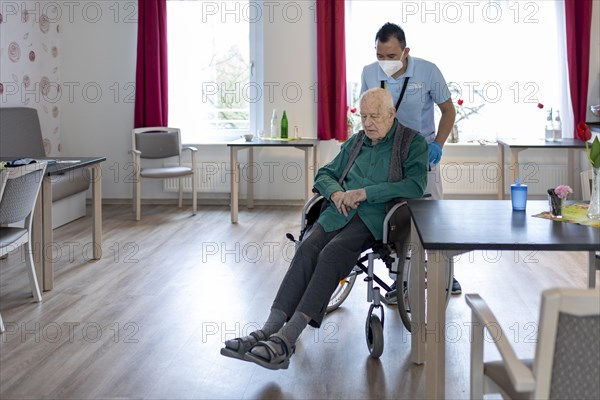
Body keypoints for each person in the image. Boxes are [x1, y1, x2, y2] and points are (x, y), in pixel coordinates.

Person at [220, 88, 428, 370]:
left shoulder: (411, 143)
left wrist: (365, 193)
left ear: (392, 114)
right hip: (337, 212)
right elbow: (324, 174)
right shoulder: (357, 142)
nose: (367, 123)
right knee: (306, 247)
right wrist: (336, 194)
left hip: (377, 218)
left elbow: (415, 185)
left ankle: (287, 339)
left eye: (374, 116)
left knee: (332, 253)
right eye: (363, 116)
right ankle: (267, 330)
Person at [360, 22, 461, 294]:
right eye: (380, 56)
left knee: (433, 214)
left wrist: (438, 144)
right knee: (396, 219)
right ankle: (400, 278)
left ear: (405, 51)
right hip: (386, 154)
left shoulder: (428, 71)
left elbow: (448, 111)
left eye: (391, 56)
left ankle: (446, 271)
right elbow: (366, 114)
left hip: (421, 151)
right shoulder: (369, 73)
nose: (385, 62)